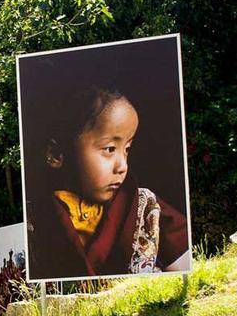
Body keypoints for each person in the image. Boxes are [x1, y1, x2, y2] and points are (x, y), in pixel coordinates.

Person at [25, 85, 189, 279]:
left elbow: (188, 270)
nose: (123, 166)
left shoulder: (144, 205)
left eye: (126, 149)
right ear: (56, 155)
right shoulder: (35, 216)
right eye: (110, 149)